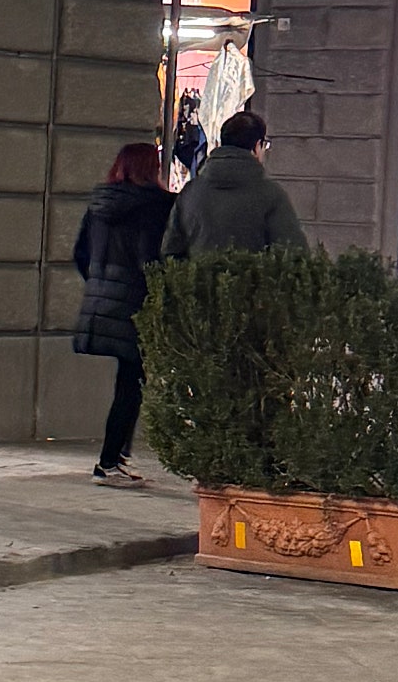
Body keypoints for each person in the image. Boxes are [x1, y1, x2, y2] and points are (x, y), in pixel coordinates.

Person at [71, 142, 174, 489]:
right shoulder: (157, 206)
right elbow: (154, 258)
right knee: (131, 384)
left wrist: (100, 284)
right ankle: (109, 461)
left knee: (129, 381)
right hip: (138, 302)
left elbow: (80, 252)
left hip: (104, 301)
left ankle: (116, 457)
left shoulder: (100, 205)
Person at [160, 109, 307, 259]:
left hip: (198, 274)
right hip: (254, 275)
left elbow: (171, 252)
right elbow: (294, 254)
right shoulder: (272, 195)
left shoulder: (190, 192)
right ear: (257, 146)